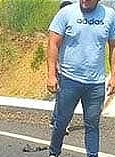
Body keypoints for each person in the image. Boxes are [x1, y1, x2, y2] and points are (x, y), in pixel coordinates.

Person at [45, 0, 115, 157]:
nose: (85, 1)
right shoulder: (66, 13)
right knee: (62, 121)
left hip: (95, 82)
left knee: (92, 123)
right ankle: (53, 156)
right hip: (69, 79)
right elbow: (53, 43)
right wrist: (51, 74)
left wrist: (114, 76)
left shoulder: (109, 15)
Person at [48, 0, 74, 135]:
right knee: (64, 97)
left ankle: (56, 120)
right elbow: (54, 47)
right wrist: (55, 67)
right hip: (62, 68)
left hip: (69, 69)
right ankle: (61, 123)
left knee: (62, 97)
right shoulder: (60, 27)